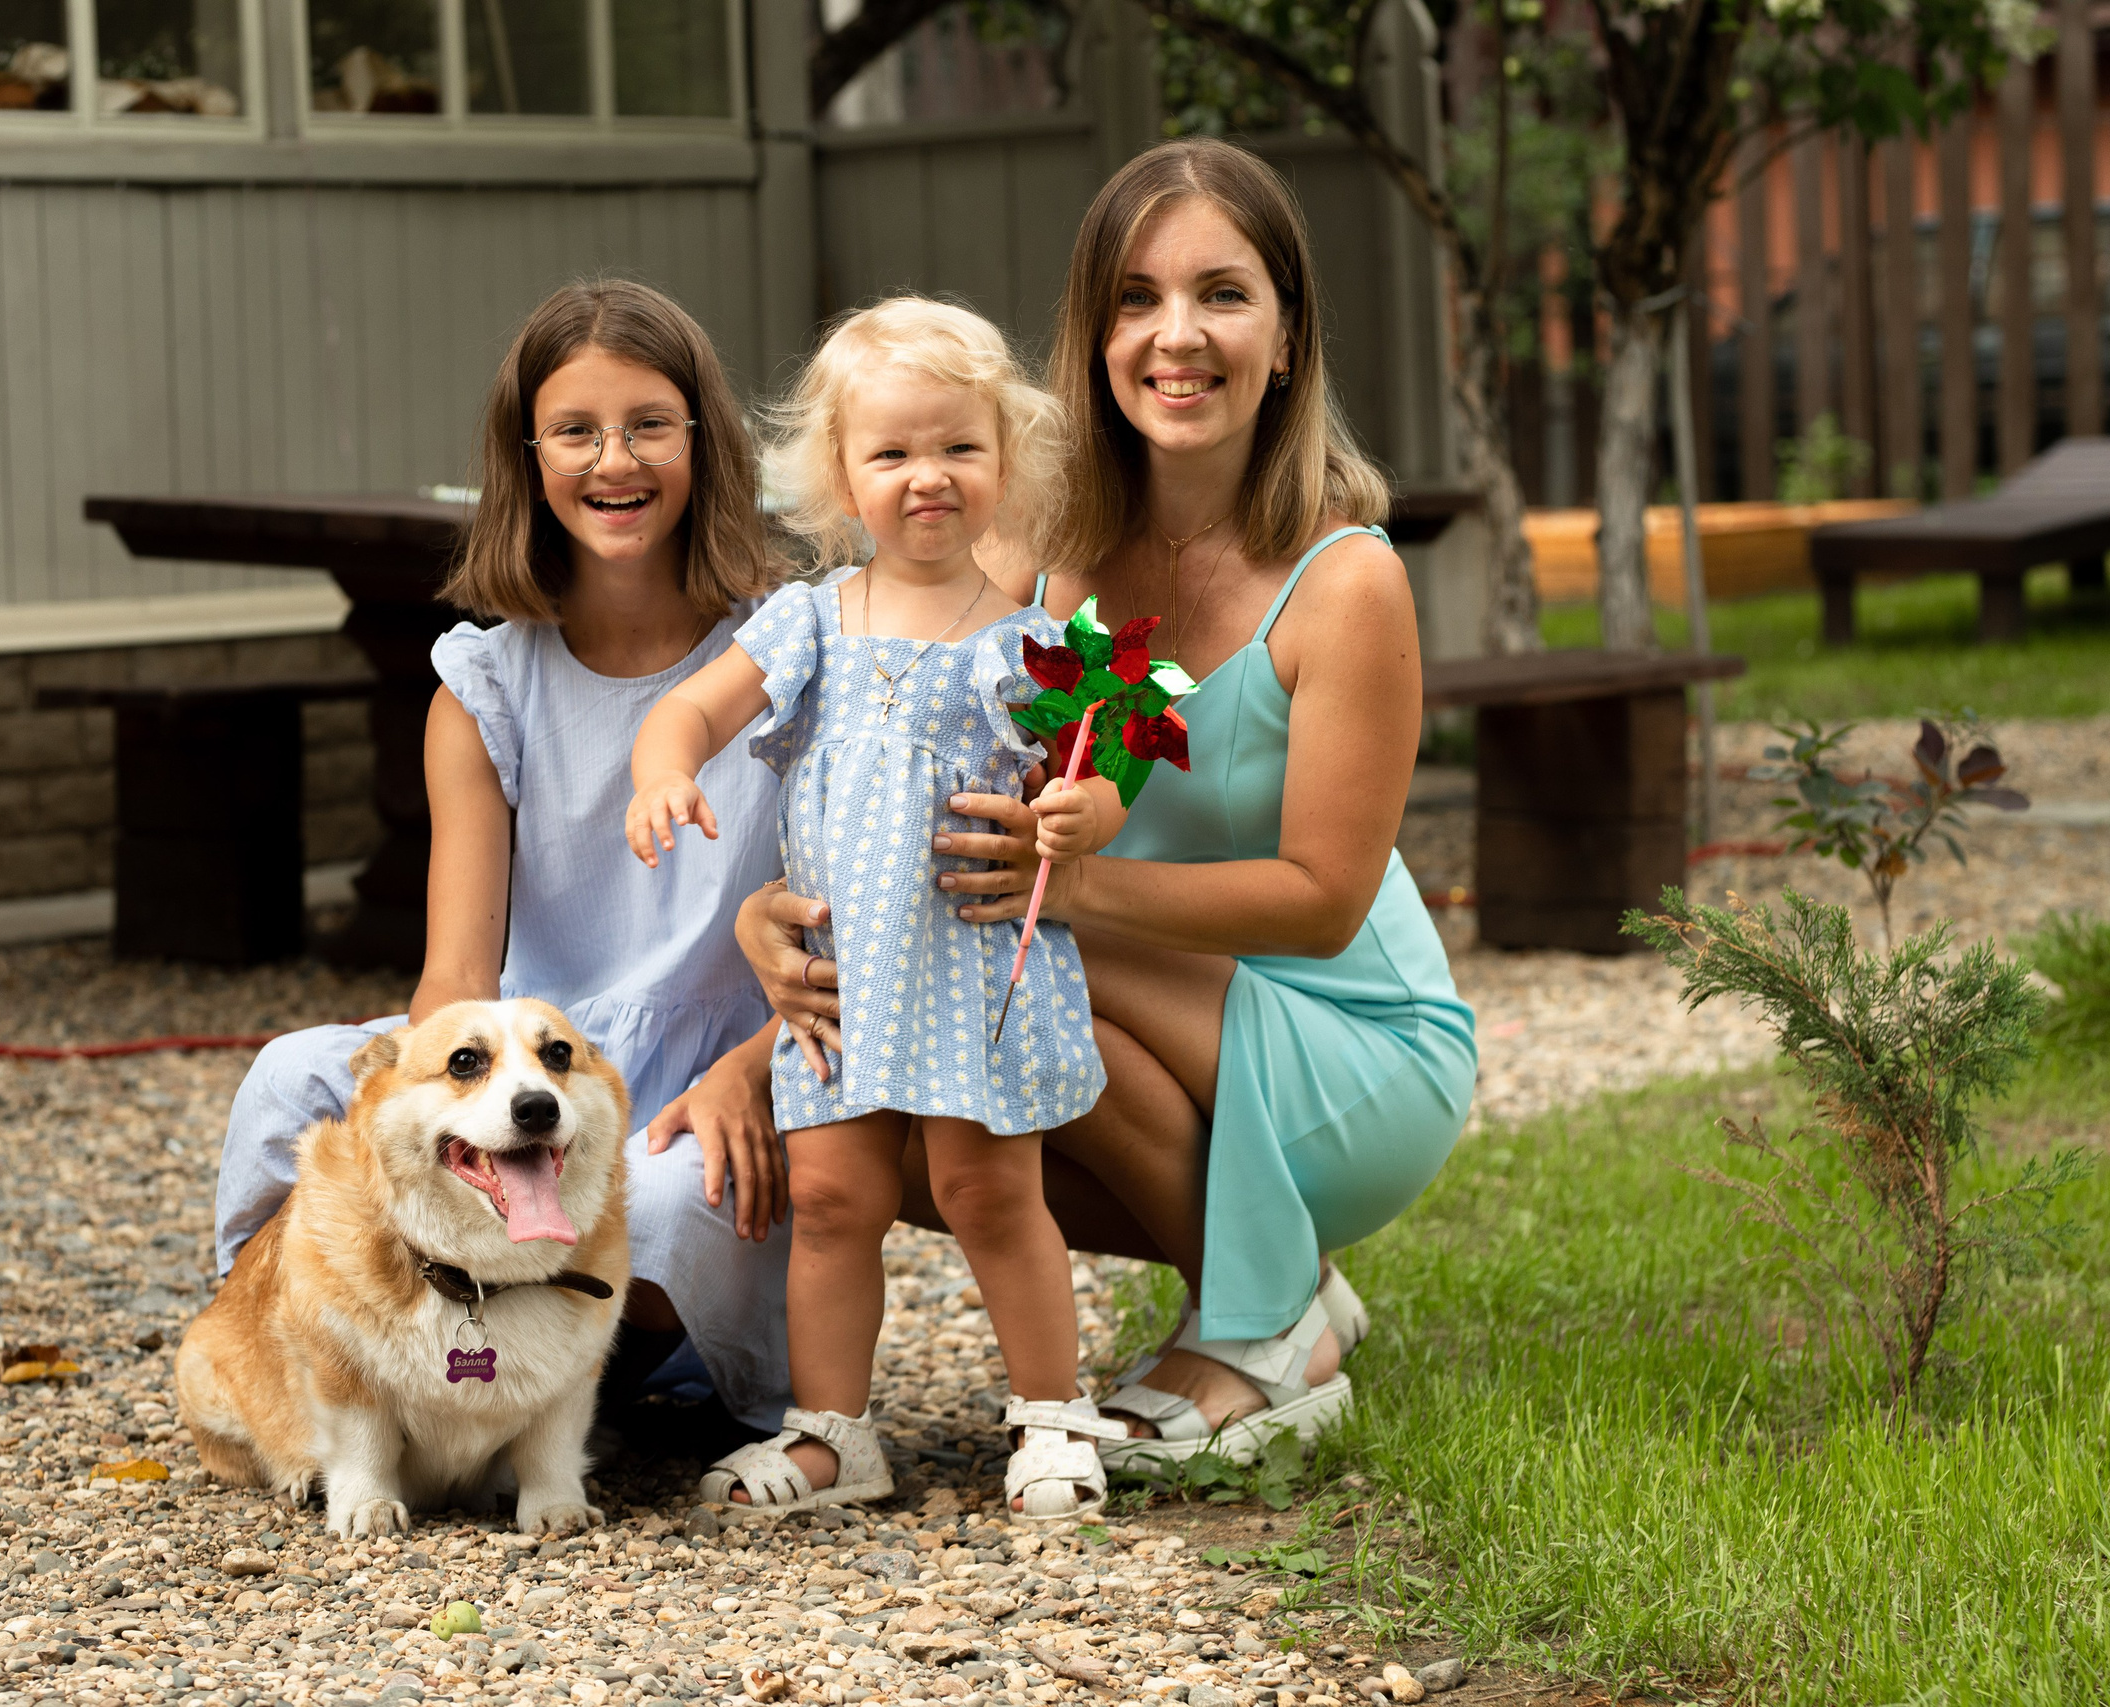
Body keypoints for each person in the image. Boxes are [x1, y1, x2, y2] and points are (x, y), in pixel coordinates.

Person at [733, 139, 1479, 1464]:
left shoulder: (1347, 579)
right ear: (1093, 334)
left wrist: (1066, 888)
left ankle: (1269, 1317)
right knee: (879, 1116)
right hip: (1131, 977)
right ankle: (1265, 1266)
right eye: (1136, 298)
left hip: (1347, 1035)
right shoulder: (1044, 549)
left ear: (1289, 335)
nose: (1174, 335)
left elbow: (1321, 904)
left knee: (999, 958)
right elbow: (869, 734)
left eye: (1222, 294)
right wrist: (771, 988)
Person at [209, 279, 800, 1433]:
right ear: (528, 457)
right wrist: (441, 1126)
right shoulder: (486, 683)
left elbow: (854, 920)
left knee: (672, 1200)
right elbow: (454, 983)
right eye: (575, 430)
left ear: (704, 442)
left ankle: (547, 1390)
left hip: (716, 1073)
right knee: (291, 1079)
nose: (612, 460)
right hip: (520, 1059)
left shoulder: (789, 651)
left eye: (648, 426)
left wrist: (761, 1067)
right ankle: (300, 1365)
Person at [624, 297, 1127, 1519]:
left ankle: (1053, 1416)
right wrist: (662, 767)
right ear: (841, 478)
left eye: (958, 447)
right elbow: (690, 711)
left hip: (974, 968)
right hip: (841, 978)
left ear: (1005, 463)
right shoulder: (807, 621)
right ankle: (831, 1436)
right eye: (891, 453)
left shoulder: (1040, 640)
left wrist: (1085, 819)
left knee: (988, 1193)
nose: (928, 477)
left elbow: (1103, 770)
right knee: (837, 1200)